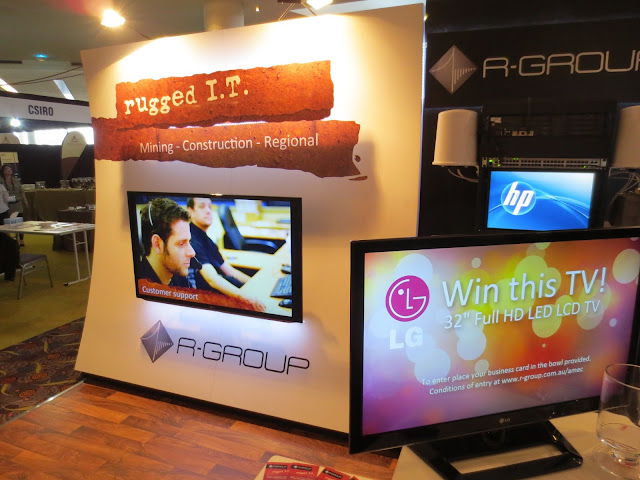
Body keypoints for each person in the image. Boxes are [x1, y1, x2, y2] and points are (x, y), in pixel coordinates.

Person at [187, 197, 266, 312]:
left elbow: (229, 270)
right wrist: (247, 298)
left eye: (210, 207)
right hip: (203, 301)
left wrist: (257, 285)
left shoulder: (205, 238)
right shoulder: (192, 240)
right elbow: (212, 279)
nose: (208, 211)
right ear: (190, 211)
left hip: (215, 289)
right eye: (202, 206)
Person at [138, 198, 198, 287]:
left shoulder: (180, 280)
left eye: (189, 242)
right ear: (157, 244)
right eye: (181, 243)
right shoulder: (136, 284)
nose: (192, 253)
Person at [0, 164, 27, 245]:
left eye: (10, 169)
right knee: (7, 222)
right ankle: (9, 239)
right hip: (7, 204)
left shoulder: (16, 180)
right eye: (7, 169)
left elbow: (21, 191)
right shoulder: (1, 181)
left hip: (18, 204)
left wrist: (25, 201)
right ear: (3, 171)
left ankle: (21, 239)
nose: (9, 170)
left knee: (20, 222)